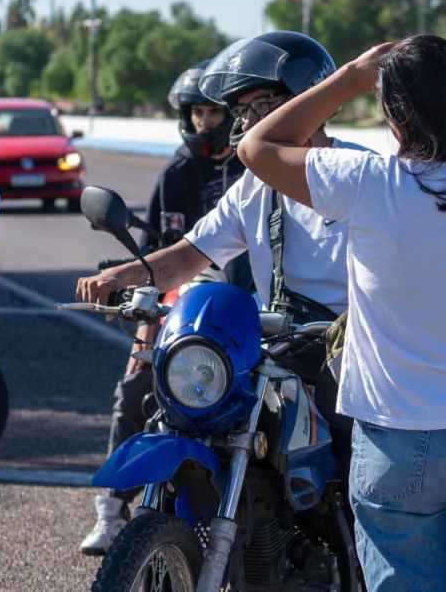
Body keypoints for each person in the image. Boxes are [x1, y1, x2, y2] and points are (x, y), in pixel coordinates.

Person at [236, 33, 446, 592]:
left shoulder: (369, 184)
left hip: (398, 441)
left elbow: (256, 147)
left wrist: (350, 75)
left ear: (395, 114)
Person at [76, 31, 362, 553]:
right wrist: (125, 276)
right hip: (279, 351)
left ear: (310, 102)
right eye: (244, 110)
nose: (250, 122)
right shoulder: (256, 186)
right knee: (188, 410)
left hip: (352, 358)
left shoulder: (364, 174)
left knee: (361, 478)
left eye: (266, 105)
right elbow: (188, 255)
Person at [79, 60, 256, 555]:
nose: (204, 122)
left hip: (255, 309)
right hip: (188, 307)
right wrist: (142, 324)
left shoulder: (255, 169)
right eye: (195, 113)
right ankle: (112, 512)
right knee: (135, 387)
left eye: (212, 112)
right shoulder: (178, 171)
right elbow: (161, 251)